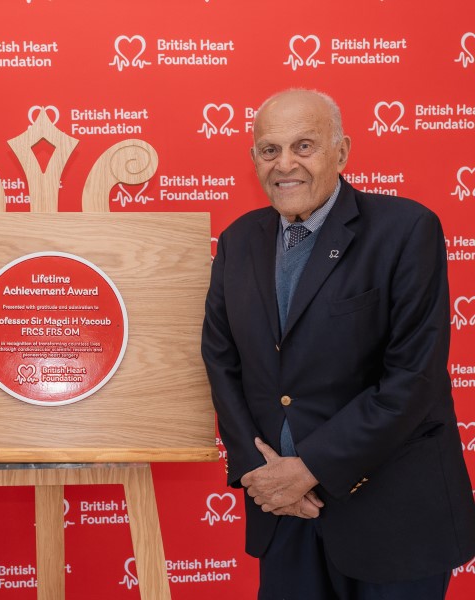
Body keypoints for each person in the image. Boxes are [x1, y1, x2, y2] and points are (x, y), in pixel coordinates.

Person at [201, 89, 475, 599]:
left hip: (392, 519)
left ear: (342, 152)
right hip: (284, 514)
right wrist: (262, 475)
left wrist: (309, 469)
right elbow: (221, 360)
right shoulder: (237, 241)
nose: (285, 164)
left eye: (304, 146)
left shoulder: (406, 230)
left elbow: (412, 378)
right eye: (270, 150)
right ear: (254, 158)